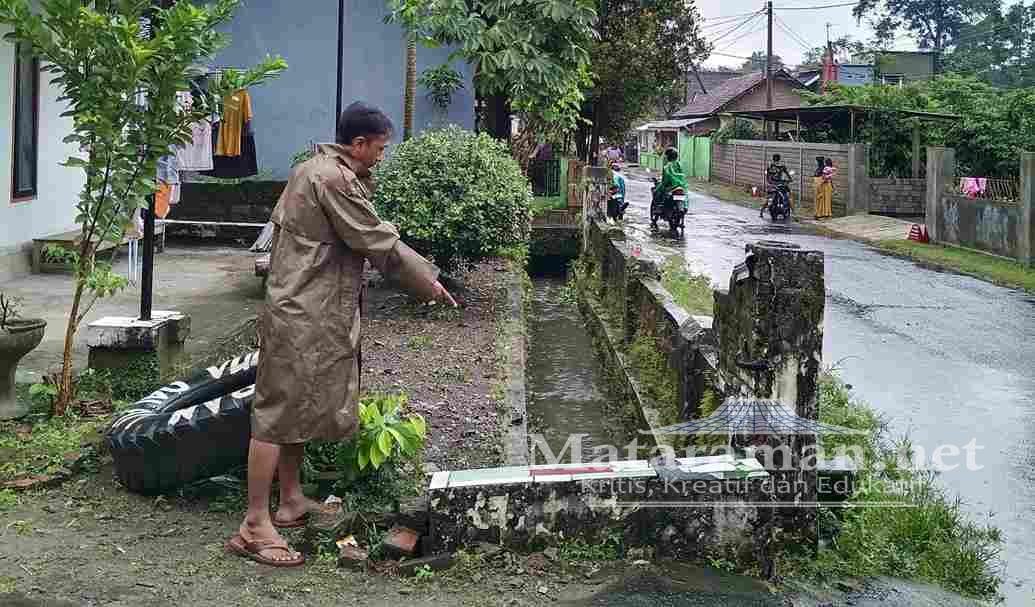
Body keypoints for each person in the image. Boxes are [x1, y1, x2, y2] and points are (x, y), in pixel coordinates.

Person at [225, 102, 457, 568]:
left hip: (308, 305)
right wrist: (427, 281)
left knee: (298, 406)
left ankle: (290, 500)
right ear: (358, 144)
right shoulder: (333, 179)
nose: (381, 157)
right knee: (275, 413)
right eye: (380, 148)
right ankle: (254, 524)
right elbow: (375, 239)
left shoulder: (309, 169)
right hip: (302, 309)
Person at [761, 153, 792, 218]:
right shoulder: (782, 166)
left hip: (771, 184)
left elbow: (767, 176)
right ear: (779, 159)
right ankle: (791, 210)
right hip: (780, 184)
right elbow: (787, 175)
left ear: (773, 159)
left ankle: (761, 211)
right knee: (786, 196)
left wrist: (770, 182)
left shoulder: (770, 166)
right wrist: (790, 179)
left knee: (768, 197)